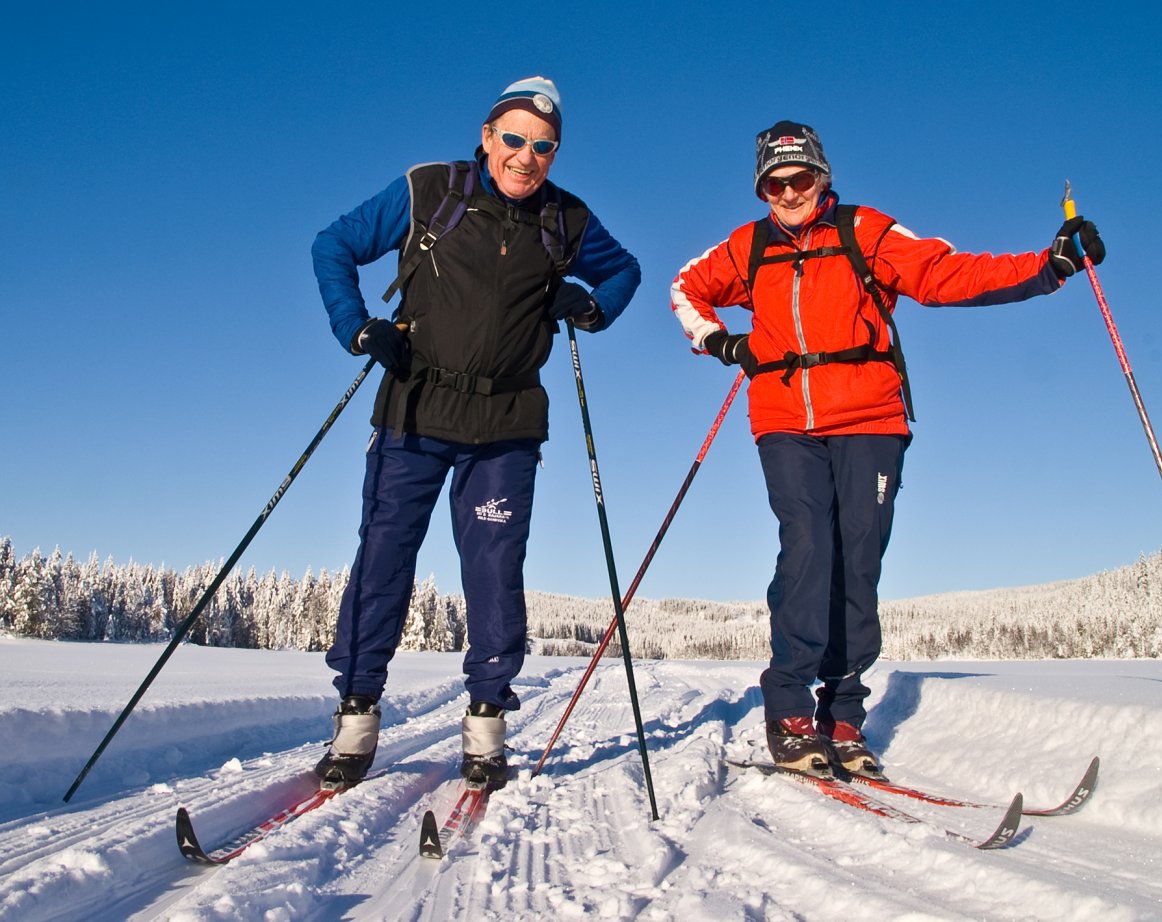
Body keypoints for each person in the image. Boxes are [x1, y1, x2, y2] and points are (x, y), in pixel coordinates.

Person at [669, 120, 1103, 776]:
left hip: (871, 417)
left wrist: (1048, 268)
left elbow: (945, 274)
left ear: (823, 177)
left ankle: (842, 714)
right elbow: (685, 290)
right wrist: (722, 342)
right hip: (784, 418)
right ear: (762, 189)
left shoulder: (863, 230)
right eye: (774, 183)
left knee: (859, 558)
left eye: (801, 178)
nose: (788, 193)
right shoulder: (746, 247)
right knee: (808, 546)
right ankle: (788, 706)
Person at [311, 77, 641, 789]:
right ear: (489, 136)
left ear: (555, 152)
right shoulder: (432, 190)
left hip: (506, 423)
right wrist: (357, 327)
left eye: (543, 146)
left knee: (494, 569)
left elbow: (625, 272)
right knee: (384, 558)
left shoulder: (566, 219)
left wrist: (590, 304)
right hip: (414, 408)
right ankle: (357, 717)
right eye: (514, 139)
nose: (527, 156)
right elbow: (332, 244)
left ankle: (487, 726)